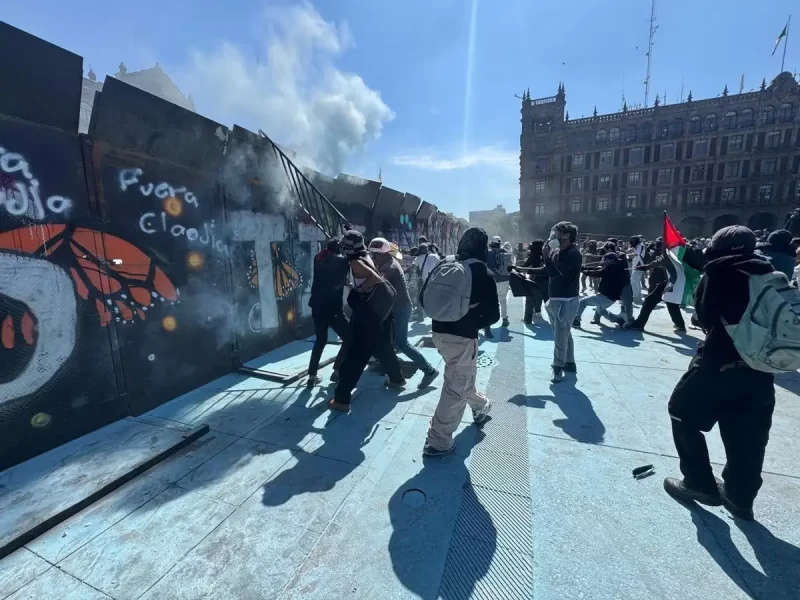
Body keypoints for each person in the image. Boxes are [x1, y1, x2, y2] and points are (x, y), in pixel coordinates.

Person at [663, 226, 776, 521]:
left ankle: (699, 483)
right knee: (748, 438)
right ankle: (740, 500)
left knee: (681, 413)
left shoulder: (720, 271)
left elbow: (704, 317)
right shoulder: (770, 273)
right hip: (761, 369)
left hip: (719, 363)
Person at [424, 227, 497, 456]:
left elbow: (423, 296)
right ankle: (438, 442)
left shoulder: (444, 264)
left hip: (438, 333)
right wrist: (473, 320)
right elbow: (493, 315)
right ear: (483, 248)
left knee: (460, 376)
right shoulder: (482, 272)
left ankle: (480, 405)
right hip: (463, 337)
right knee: (456, 388)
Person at [328, 231, 406, 413]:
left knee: (355, 356)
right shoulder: (366, 256)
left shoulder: (356, 262)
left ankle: (341, 399)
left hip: (367, 314)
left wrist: (359, 289)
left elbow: (375, 278)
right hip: (379, 313)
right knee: (383, 347)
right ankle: (397, 378)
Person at [368, 237, 440, 389]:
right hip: (394, 308)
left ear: (385, 254)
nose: (373, 257)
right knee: (390, 342)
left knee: (402, 343)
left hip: (400, 308)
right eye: (372, 254)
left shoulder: (388, 267)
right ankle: (394, 371)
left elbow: (374, 284)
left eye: (375, 254)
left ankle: (429, 370)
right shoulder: (384, 263)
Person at [526, 222, 582, 383]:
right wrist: (522, 270)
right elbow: (546, 271)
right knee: (564, 333)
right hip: (554, 300)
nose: (551, 236)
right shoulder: (556, 252)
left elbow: (556, 274)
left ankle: (557, 368)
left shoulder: (573, 254)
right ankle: (569, 362)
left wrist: (545, 256)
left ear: (566, 236)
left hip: (566, 301)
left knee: (560, 336)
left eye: (555, 233)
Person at [626, 243, 705, 332]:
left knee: (650, 300)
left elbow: (660, 260)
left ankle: (639, 324)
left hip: (672, 282)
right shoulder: (683, 250)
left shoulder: (672, 252)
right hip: (680, 281)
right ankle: (680, 324)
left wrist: (646, 267)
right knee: (671, 302)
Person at [307, 238, 350, 386]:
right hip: (333, 308)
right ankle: (337, 370)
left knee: (320, 340)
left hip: (317, 307)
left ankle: (312, 375)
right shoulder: (341, 261)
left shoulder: (318, 258)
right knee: (349, 338)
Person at [573, 242, 629, 328]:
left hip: (606, 297)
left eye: (606, 260)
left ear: (610, 261)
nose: (604, 262)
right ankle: (618, 320)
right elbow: (598, 269)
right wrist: (584, 268)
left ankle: (576, 320)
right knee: (601, 310)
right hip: (611, 298)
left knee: (582, 302)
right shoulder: (617, 268)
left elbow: (596, 273)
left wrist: (583, 271)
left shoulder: (610, 269)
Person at [486, 236, 513, 335]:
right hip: (505, 279)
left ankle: (487, 324)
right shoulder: (506, 252)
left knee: (490, 302)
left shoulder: (488, 253)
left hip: (493, 280)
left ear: (491, 243)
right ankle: (505, 319)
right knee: (503, 300)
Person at [520, 240, 548, 323]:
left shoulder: (534, 254)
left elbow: (526, 265)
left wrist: (517, 267)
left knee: (529, 299)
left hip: (535, 278)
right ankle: (538, 312)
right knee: (541, 297)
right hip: (546, 280)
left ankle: (527, 319)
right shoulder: (546, 254)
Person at [627, 236, 645, 300]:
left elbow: (636, 254)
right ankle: (638, 296)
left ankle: (636, 296)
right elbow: (630, 251)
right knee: (636, 281)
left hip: (639, 265)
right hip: (636, 265)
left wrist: (626, 255)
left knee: (633, 281)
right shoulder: (637, 246)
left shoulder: (640, 246)